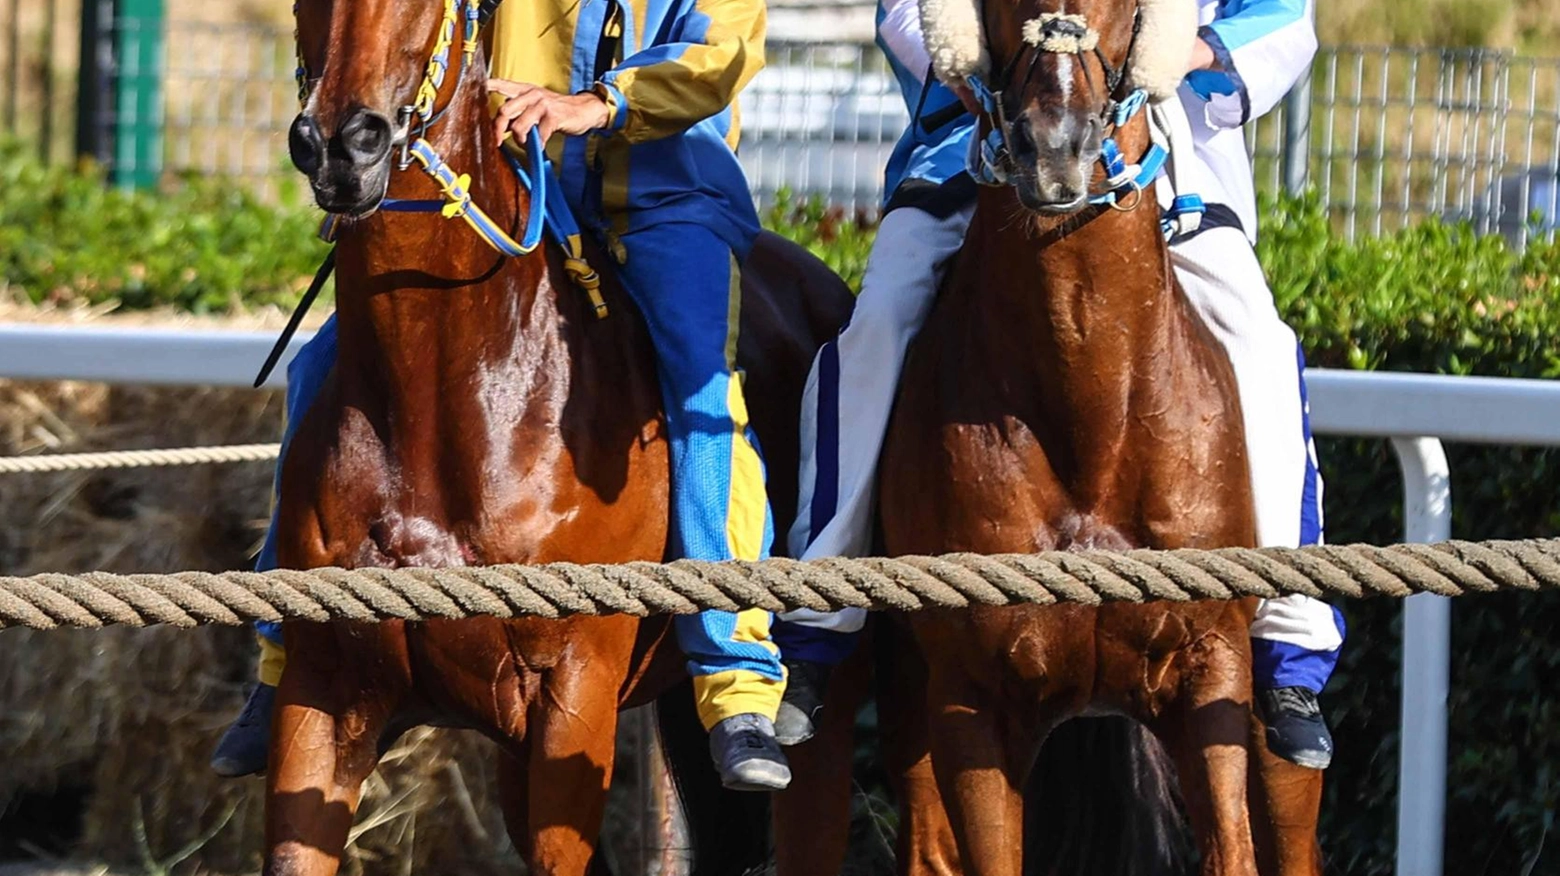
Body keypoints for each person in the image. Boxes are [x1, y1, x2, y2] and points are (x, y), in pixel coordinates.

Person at [211, 0, 795, 791]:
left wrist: (600, 104)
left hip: (664, 200)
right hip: (511, 181)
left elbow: (721, 55)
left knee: (699, 380)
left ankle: (735, 679)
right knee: (322, 366)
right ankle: (284, 648)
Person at [771, 0, 1344, 771]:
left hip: (1171, 161)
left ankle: (1290, 640)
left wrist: (1194, 52)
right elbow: (905, 10)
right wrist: (972, 66)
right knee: (874, 329)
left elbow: (1283, 19)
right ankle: (817, 620)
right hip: (973, 144)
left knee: (1262, 343)